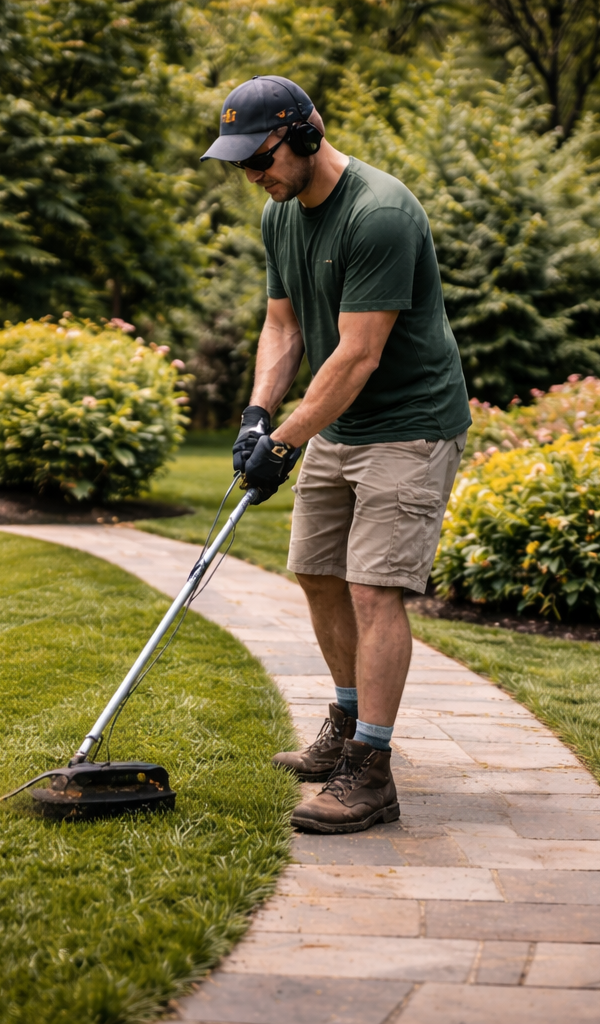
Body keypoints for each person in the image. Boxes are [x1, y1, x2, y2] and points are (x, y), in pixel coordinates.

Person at [201, 76, 471, 834]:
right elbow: (283, 327)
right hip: (341, 425)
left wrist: (285, 442)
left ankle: (372, 770)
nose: (253, 176)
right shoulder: (278, 215)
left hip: (409, 425)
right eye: (241, 165)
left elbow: (357, 355)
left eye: (261, 158)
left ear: (308, 135)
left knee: (373, 588)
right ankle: (346, 724)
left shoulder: (379, 213)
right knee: (316, 570)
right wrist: (257, 416)